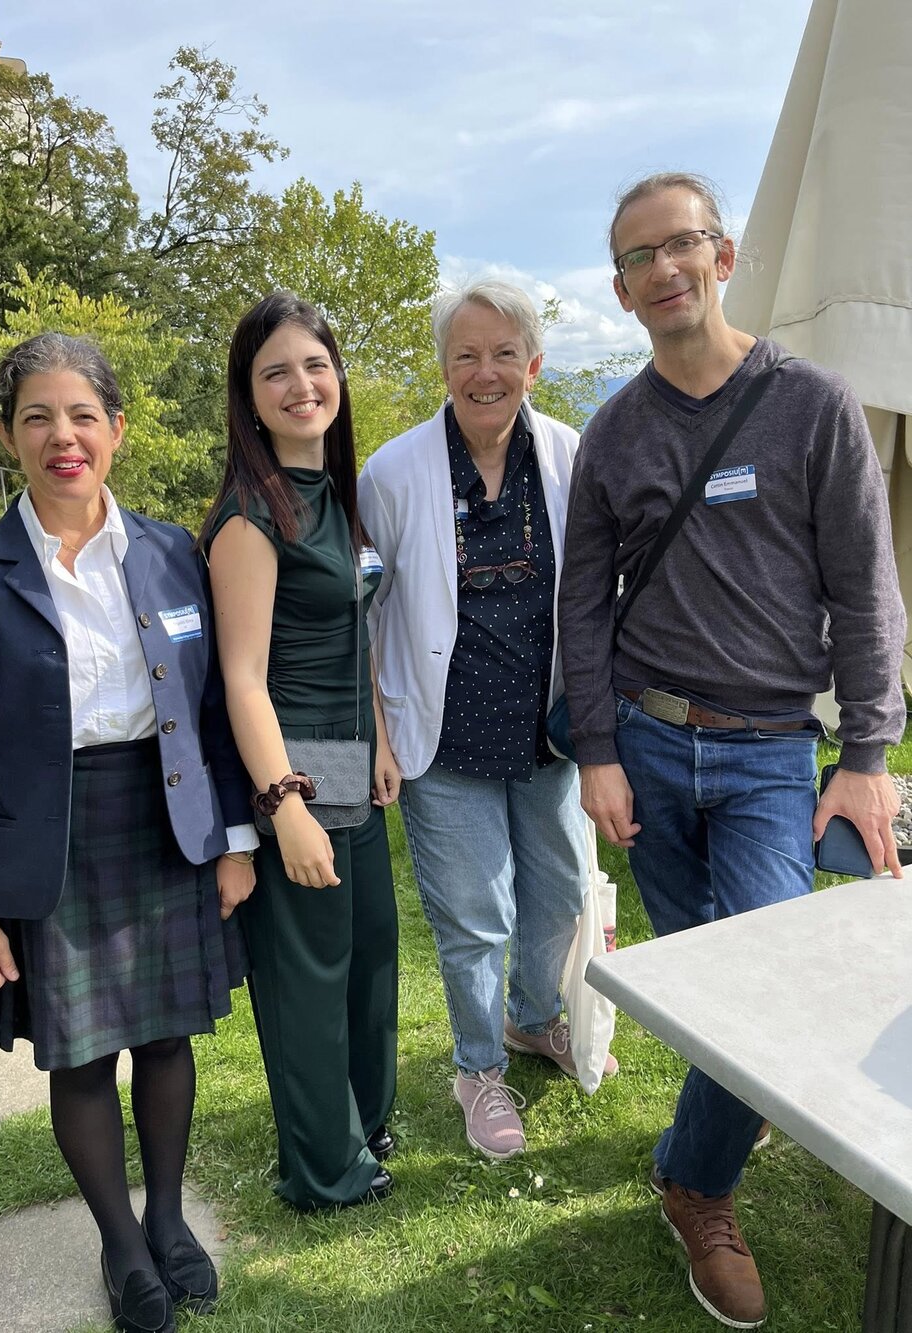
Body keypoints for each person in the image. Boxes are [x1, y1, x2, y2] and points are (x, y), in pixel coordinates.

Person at [558, 172, 906, 1329]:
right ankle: (711, 1141)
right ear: (619, 290)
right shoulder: (613, 430)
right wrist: (597, 749)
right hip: (647, 753)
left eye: (682, 245)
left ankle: (693, 1182)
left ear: (725, 253)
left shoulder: (810, 405)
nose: (664, 269)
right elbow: (581, 606)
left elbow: (865, 590)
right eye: (639, 258)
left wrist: (866, 754)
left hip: (768, 755)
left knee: (758, 1003)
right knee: (709, 996)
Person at [0, 333, 257, 1333]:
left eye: (81, 416)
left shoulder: (168, 550)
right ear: (5, 434)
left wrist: (232, 837)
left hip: (162, 820)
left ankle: (170, 1218)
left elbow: (204, 707)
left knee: (164, 1036)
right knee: (78, 1055)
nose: (62, 437)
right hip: (46, 843)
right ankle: (119, 1241)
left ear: (116, 427)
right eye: (36, 417)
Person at [358, 279, 615, 1163]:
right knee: (476, 915)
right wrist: (382, 738)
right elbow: (363, 610)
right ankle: (476, 1067)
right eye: (466, 354)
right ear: (443, 367)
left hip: (548, 737)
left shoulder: (574, 457)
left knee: (556, 899)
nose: (485, 371)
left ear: (534, 365)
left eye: (504, 353)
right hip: (443, 738)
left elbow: (596, 596)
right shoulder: (393, 472)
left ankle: (532, 1018)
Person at [200, 292, 399, 1212]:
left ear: (339, 376)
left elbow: (354, 628)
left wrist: (384, 739)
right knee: (310, 978)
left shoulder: (335, 496)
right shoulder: (251, 516)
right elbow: (243, 677)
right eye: (274, 370)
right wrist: (283, 807)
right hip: (298, 773)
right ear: (249, 394)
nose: (300, 384)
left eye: (315, 364)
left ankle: (366, 1116)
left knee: (367, 955)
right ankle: (326, 1168)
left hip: (355, 763)